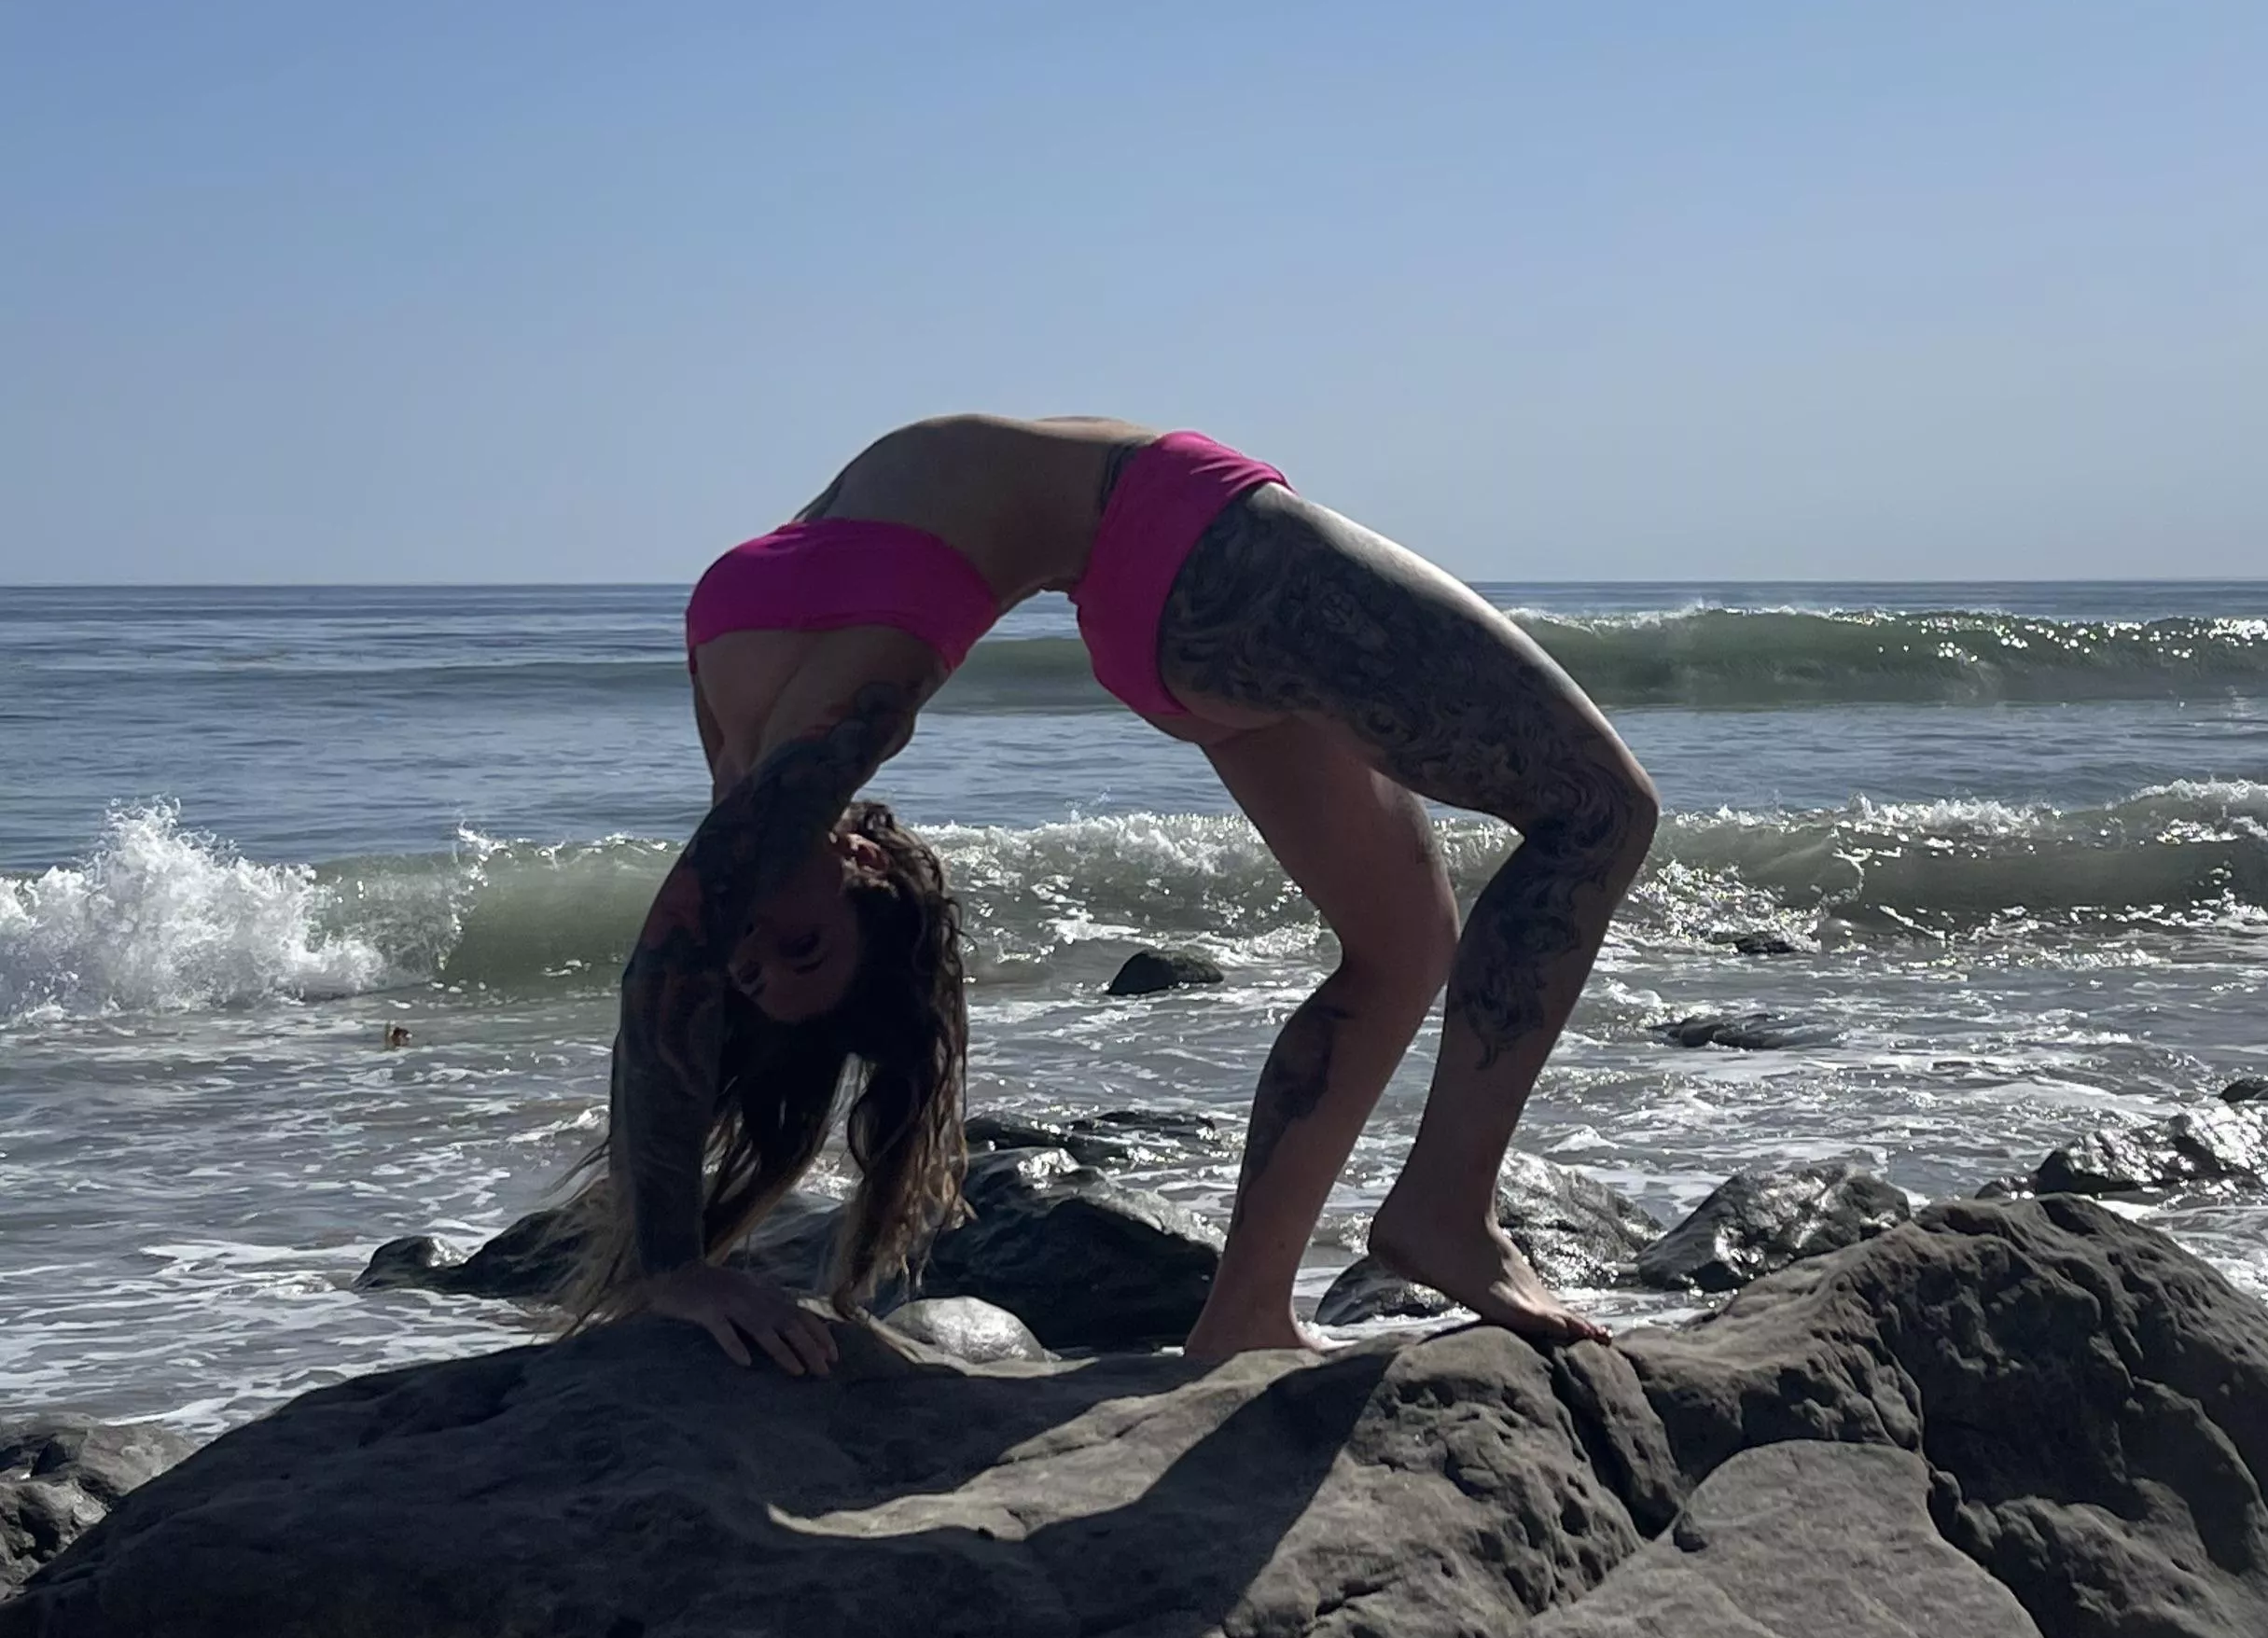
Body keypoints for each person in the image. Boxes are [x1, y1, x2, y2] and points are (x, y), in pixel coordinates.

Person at [569, 416, 1658, 1373]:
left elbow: (677, 967)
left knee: (1406, 946)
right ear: (863, 861)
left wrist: (671, 1255)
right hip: (1187, 546)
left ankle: (1244, 1313)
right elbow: (668, 960)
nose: (757, 933)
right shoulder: (840, 729)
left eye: (760, 962)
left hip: (1154, 613)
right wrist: (674, 1268)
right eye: (803, 947)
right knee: (1599, 810)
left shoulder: (740, 766)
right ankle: (1448, 1207)